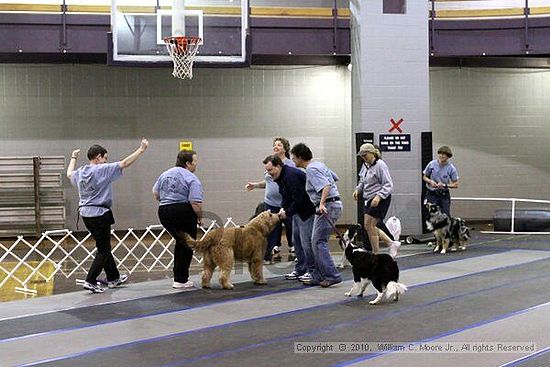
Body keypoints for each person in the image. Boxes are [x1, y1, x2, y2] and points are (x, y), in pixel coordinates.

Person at [67, 138, 149, 293]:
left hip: (85, 214)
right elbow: (124, 163)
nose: (106, 161)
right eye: (105, 158)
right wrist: (141, 149)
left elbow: (69, 173)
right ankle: (90, 280)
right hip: (100, 214)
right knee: (104, 249)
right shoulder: (101, 169)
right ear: (98, 157)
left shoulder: (81, 172)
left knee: (103, 246)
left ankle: (113, 277)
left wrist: (73, 157)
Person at [290, 143, 342, 288]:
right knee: (316, 242)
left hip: (328, 206)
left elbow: (326, 185)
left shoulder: (311, 169)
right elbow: (334, 178)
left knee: (318, 242)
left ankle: (332, 275)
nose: (293, 161)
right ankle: (318, 275)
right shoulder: (319, 165)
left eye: (294, 158)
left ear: (300, 157)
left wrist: (321, 203)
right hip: (334, 204)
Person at [153, 150, 203, 289]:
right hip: (182, 211)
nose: (196, 165)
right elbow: (195, 202)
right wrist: (200, 217)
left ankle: (179, 278)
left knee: (180, 242)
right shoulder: (192, 178)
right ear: (188, 163)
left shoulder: (164, 174)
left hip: (164, 211)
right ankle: (181, 279)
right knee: (187, 244)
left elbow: (156, 193)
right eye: (195, 162)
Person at [262, 155, 316, 282]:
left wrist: (288, 211)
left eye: (270, 170)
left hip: (306, 211)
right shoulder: (280, 177)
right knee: (296, 241)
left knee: (306, 243)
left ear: (278, 166)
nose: (269, 174)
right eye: (267, 171)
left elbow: (300, 197)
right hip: (297, 212)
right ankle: (300, 269)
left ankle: (312, 271)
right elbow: (285, 195)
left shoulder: (291, 175)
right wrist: (283, 208)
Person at [246, 137, 294, 264]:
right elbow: (268, 182)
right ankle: (266, 256)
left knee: (292, 228)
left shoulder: (289, 164)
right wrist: (255, 185)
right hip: (270, 203)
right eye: (274, 145)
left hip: (285, 203)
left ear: (285, 148)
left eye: (279, 145)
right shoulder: (270, 162)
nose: (276, 147)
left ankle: (297, 251)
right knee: (269, 231)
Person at [354, 143, 401, 258]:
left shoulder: (381, 165)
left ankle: (376, 253)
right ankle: (391, 243)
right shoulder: (365, 165)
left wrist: (379, 196)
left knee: (370, 225)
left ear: (372, 153)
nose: (363, 158)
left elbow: (388, 185)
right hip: (369, 198)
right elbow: (362, 180)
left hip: (381, 198)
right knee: (368, 226)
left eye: (365, 155)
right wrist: (358, 190)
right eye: (362, 156)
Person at [422, 145, 459, 217]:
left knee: (445, 215)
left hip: (443, 195)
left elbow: (456, 184)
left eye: (443, 155)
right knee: (431, 216)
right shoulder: (432, 164)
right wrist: (430, 181)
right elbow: (424, 177)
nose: (441, 156)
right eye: (440, 154)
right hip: (432, 193)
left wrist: (444, 185)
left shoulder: (451, 168)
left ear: (448, 157)